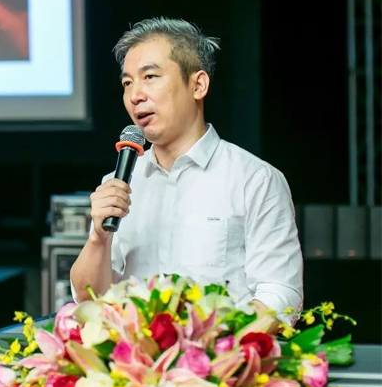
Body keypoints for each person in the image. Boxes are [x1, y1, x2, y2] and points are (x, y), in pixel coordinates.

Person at [69, 17, 303, 325]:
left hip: (219, 353)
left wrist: (211, 345)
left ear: (198, 85)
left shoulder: (255, 179)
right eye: (127, 83)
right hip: (133, 354)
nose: (135, 95)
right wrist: (99, 238)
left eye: (150, 77)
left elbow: (280, 294)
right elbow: (89, 299)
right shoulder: (118, 184)